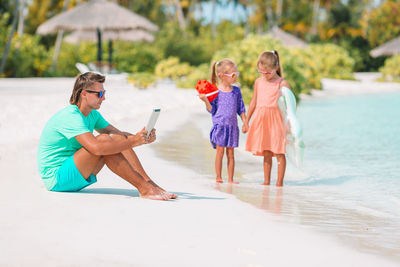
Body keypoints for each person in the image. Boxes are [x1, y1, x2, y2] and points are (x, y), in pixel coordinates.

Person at [37, 72, 177, 200]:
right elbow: (97, 148)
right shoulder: (70, 116)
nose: (103, 98)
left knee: (114, 138)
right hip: (57, 179)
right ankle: (145, 189)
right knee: (104, 142)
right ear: (84, 94)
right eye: (99, 94)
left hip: (75, 174)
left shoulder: (92, 114)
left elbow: (119, 137)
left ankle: (148, 184)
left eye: (104, 93)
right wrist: (134, 141)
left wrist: (141, 138)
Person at [198, 59, 248, 184]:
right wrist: (206, 101)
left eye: (237, 74)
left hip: (232, 127)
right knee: (220, 152)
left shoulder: (236, 91)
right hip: (220, 126)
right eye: (233, 75)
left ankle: (231, 179)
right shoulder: (215, 92)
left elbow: (240, 108)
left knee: (231, 154)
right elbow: (211, 110)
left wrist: (245, 122)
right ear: (221, 76)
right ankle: (218, 177)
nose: (235, 76)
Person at [245, 50, 290, 187]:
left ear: (276, 67)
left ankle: (279, 183)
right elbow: (253, 101)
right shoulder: (258, 82)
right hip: (261, 120)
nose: (265, 75)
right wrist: (247, 120)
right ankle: (266, 181)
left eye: (268, 72)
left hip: (276, 120)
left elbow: (290, 106)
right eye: (262, 72)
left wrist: (290, 125)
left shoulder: (282, 83)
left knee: (279, 150)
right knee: (266, 151)